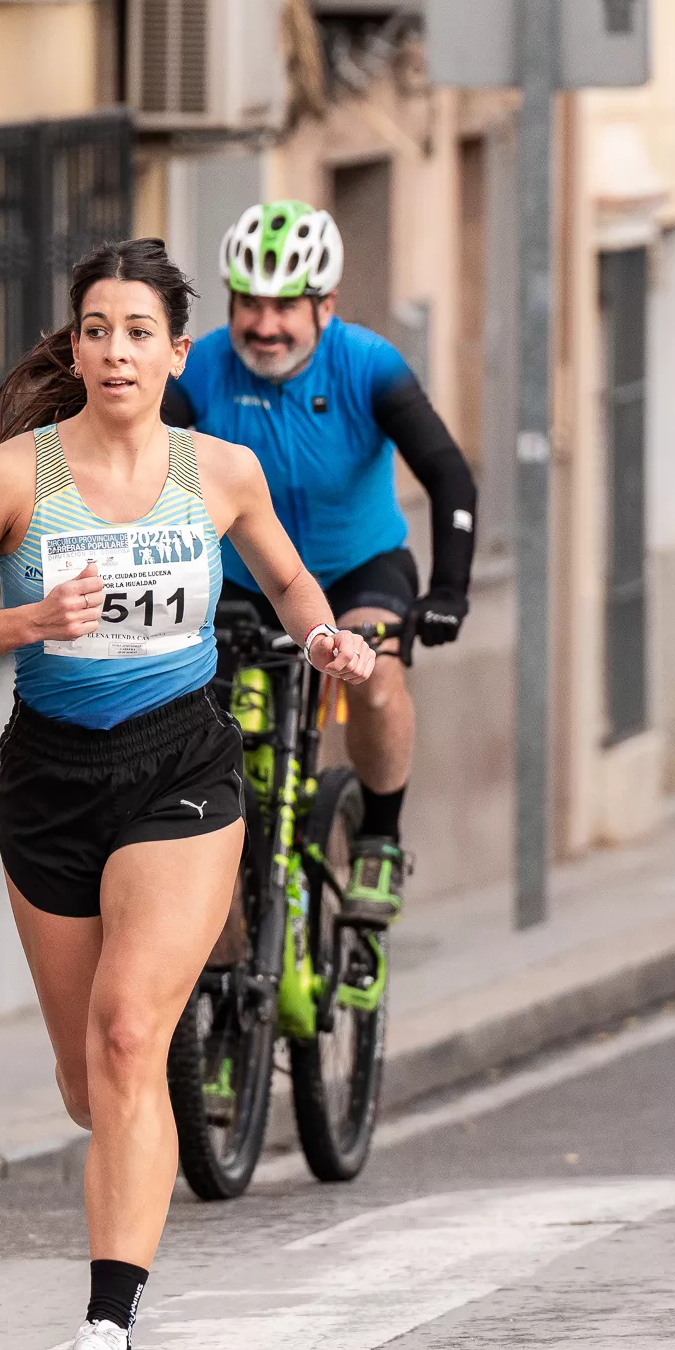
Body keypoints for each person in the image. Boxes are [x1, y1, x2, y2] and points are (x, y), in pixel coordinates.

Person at [0, 239, 373, 1350]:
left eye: (137, 330)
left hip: (180, 765)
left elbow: (290, 584)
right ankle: (142, 1104)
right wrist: (27, 620)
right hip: (51, 783)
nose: (115, 349)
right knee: (87, 1081)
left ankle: (109, 1328)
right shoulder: (13, 477)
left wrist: (327, 639)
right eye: (95, 328)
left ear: (177, 351)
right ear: (75, 346)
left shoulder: (219, 471)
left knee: (125, 1036)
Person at [159, 201, 475, 924]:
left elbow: (449, 474)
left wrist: (451, 589)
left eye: (283, 307)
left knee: (375, 674)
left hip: (358, 568)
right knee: (208, 715)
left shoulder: (367, 365)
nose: (263, 326)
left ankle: (380, 839)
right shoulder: (203, 367)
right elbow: (137, 465)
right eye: (249, 305)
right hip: (243, 580)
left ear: (324, 305)